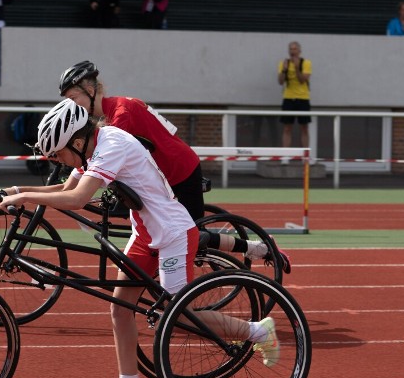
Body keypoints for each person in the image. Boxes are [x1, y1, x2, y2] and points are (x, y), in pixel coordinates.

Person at [0, 99, 281, 378]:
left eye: (58, 153)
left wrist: (25, 196)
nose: (58, 160)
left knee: (177, 315)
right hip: (145, 234)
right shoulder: (89, 149)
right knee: (121, 309)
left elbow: (77, 198)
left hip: (172, 234)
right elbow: (66, 187)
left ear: (77, 141)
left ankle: (257, 331)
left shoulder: (111, 144)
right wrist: (16, 189)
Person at [59, 60, 273, 262]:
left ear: (90, 91)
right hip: (165, 172)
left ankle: (257, 248)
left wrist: (77, 179)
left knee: (195, 237)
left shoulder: (120, 114)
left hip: (179, 170)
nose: (71, 105)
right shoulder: (113, 111)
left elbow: (106, 156)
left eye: (73, 98)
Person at [277, 41, 312, 148]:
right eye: (291, 49)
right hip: (288, 97)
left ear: (299, 51)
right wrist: (284, 70)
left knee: (304, 127)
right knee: (287, 127)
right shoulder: (284, 63)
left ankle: (305, 156)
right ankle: (285, 156)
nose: (293, 51)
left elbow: (302, 80)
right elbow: (280, 82)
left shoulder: (306, 63)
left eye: (295, 49)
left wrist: (297, 68)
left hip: (302, 98)